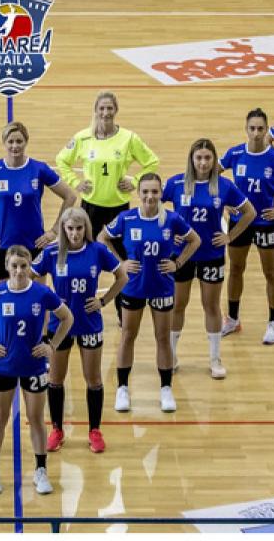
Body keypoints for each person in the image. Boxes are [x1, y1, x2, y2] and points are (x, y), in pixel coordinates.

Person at [0, 246, 73, 496]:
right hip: (3, 365)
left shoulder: (42, 293)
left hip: (34, 366)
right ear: (7, 266)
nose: (19, 271)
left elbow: (67, 318)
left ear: (29, 267)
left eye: (24, 266)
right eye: (14, 266)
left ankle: (41, 470)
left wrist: (52, 346)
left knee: (36, 418)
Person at [98, 173, 199, 412]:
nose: (150, 196)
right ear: (138, 193)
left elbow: (195, 240)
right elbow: (102, 238)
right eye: (145, 192)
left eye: (154, 192)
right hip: (133, 287)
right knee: (128, 336)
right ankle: (123, 388)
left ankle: (166, 389)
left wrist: (178, 263)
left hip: (162, 287)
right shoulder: (127, 218)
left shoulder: (172, 219)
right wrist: (120, 263)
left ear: (161, 193)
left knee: (162, 338)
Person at [55, 91, 159, 322]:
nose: (105, 113)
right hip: (90, 208)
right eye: (101, 108)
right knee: (81, 257)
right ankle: (74, 310)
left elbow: (152, 161)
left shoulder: (128, 138)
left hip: (118, 208)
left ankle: (123, 313)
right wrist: (75, 182)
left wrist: (134, 181)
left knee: (122, 262)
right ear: (95, 110)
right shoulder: (83, 138)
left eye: (109, 108)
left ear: (116, 110)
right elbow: (61, 160)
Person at [31, 207, 126, 453]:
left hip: (89, 322)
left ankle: (95, 430)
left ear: (86, 229)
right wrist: (47, 300)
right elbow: (31, 277)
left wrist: (103, 301)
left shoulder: (97, 250)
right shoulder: (52, 252)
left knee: (93, 379)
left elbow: (122, 276)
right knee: (55, 378)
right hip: (59, 325)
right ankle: (57, 430)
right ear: (63, 229)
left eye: (79, 228)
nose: (74, 233)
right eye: (70, 228)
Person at [165, 139, 255, 373]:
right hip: (181, 256)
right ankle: (171, 357)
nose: (203, 163)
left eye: (207, 158)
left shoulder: (224, 186)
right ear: (191, 159)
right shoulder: (175, 184)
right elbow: (153, 208)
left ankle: (215, 360)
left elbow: (250, 212)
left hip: (211, 254)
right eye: (199, 158)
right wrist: (168, 235)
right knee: (178, 305)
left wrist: (230, 236)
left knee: (211, 306)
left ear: (214, 160)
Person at [220, 110, 274, 346]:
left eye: (260, 129)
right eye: (252, 128)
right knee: (236, 269)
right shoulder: (235, 154)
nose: (256, 133)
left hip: (266, 222)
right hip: (240, 223)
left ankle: (273, 323)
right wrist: (225, 203)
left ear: (267, 130)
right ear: (246, 130)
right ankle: (233, 319)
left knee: (270, 272)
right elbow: (212, 177)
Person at [0, 121, 76, 282]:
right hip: (0, 245)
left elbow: (70, 196)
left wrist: (54, 231)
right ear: (4, 142)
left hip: (34, 244)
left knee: (37, 294)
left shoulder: (39, 169)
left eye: (19, 141)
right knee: (1, 295)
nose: (15, 146)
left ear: (26, 142)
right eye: (11, 141)